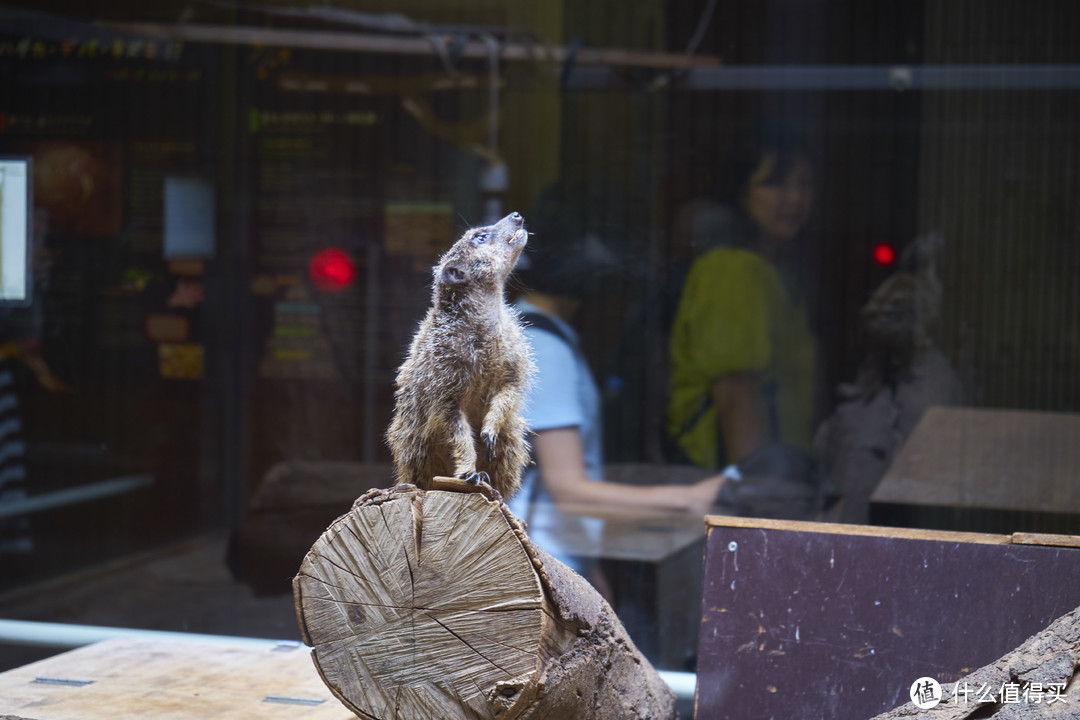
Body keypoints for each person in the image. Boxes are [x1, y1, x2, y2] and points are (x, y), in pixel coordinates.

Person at [508, 187, 724, 577]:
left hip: (556, 560)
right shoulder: (544, 347)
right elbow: (568, 489)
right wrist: (687, 499)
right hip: (541, 565)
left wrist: (592, 574)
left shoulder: (538, 336)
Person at [667, 121, 817, 476]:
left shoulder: (772, 271)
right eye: (774, 183)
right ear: (741, 191)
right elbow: (737, 396)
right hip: (734, 482)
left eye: (804, 184)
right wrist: (759, 501)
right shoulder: (734, 269)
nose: (794, 198)